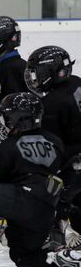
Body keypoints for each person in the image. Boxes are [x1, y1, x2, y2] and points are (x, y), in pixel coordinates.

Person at [0, 92, 81, 267]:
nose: (4, 121)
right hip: (47, 210)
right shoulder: (55, 141)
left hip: (21, 201)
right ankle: (61, 258)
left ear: (16, 119)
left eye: (7, 117)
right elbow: (64, 174)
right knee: (24, 258)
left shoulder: (7, 146)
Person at [25, 46, 81, 249]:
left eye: (36, 73)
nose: (34, 78)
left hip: (75, 164)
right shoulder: (77, 82)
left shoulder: (52, 102)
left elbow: (51, 148)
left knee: (51, 193)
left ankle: (55, 234)